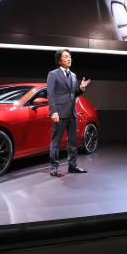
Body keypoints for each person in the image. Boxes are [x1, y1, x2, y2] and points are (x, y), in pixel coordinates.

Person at [47, 48, 91, 177]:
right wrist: (53, 112)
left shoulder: (73, 75)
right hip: (59, 113)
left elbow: (73, 93)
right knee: (56, 141)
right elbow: (51, 94)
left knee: (73, 142)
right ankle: (54, 167)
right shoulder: (53, 74)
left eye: (70, 56)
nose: (69, 58)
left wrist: (81, 88)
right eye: (66, 56)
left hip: (72, 113)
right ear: (59, 60)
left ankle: (73, 166)